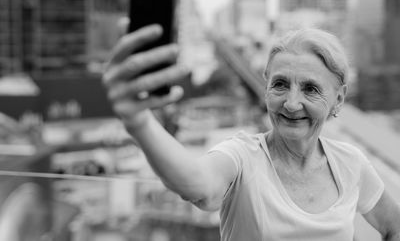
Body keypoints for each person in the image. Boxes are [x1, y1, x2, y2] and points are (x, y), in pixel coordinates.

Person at [102, 24, 400, 240]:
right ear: (266, 86)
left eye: (310, 89)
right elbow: (197, 184)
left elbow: (394, 225)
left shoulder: (350, 162)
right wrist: (139, 121)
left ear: (338, 98)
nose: (292, 103)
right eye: (280, 84)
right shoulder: (242, 156)